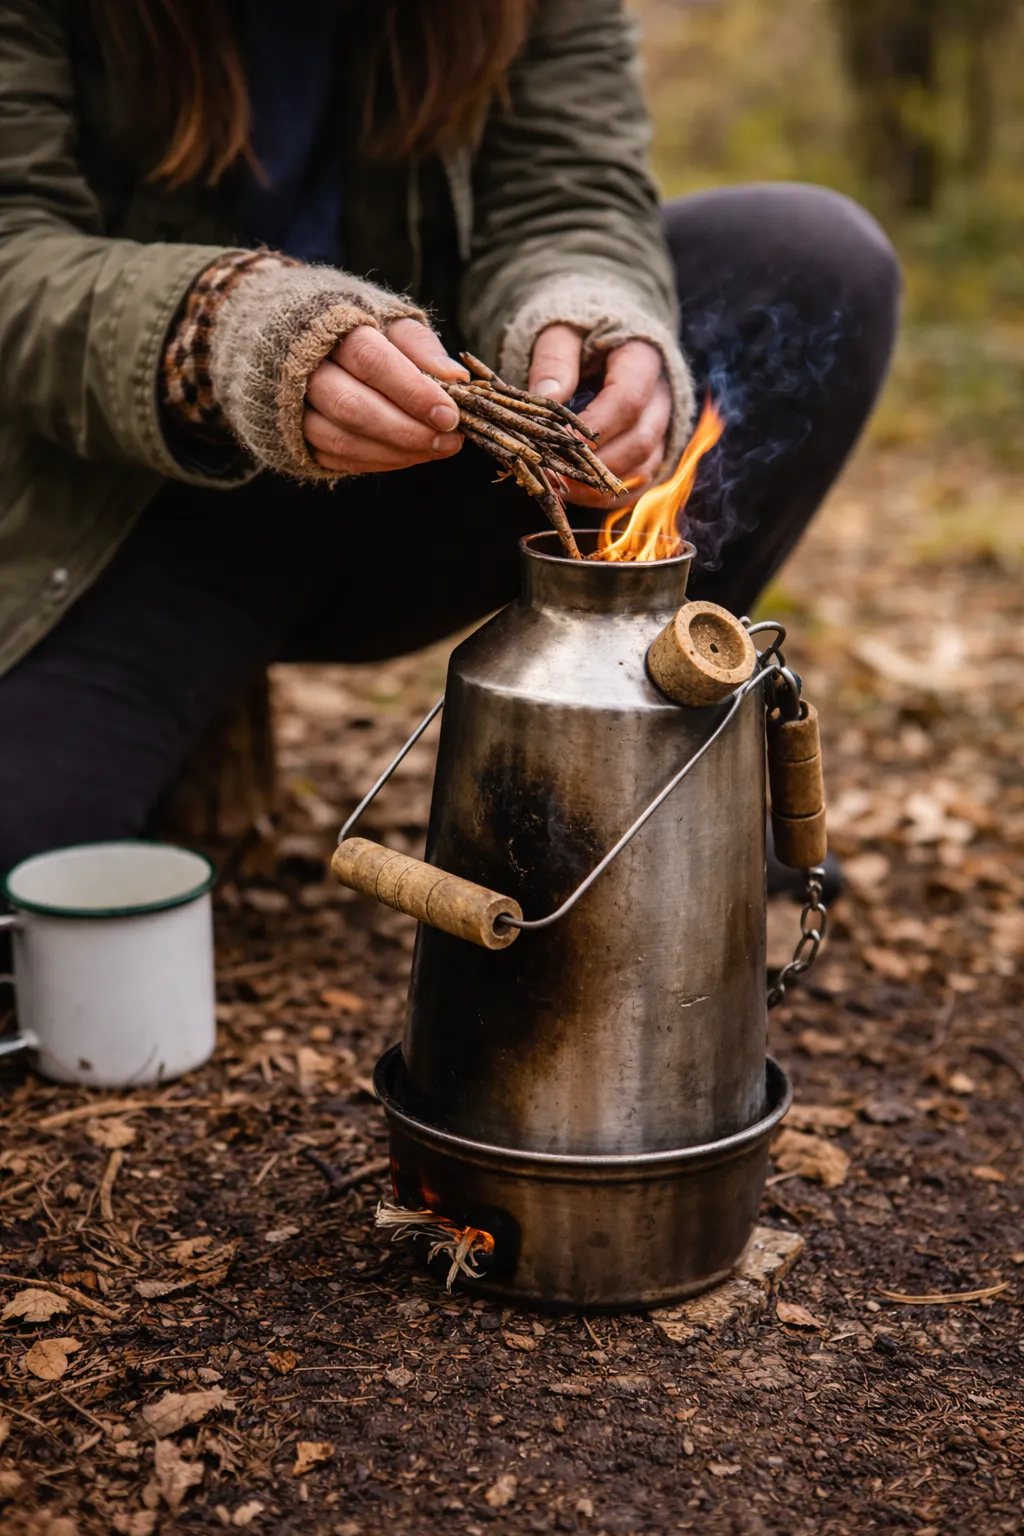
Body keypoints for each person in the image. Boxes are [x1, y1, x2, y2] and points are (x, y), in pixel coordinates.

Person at [0, 0, 900, 885]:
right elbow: (14, 251)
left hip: (437, 472)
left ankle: (639, 782)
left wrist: (581, 317)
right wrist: (220, 331)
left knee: (811, 259)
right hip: (122, 516)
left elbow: (568, 186)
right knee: (28, 880)